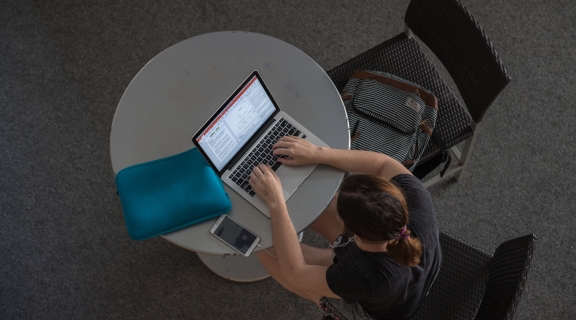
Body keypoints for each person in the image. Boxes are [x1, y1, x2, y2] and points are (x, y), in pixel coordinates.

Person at [249, 136, 441, 320]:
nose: (334, 196)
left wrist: (277, 204)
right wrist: (317, 153)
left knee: (266, 252)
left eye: (338, 204)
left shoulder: (365, 277)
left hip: (381, 310)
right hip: (401, 274)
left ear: (354, 235)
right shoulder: (415, 198)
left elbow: (296, 273)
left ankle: (323, 294)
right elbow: (383, 164)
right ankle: (332, 261)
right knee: (309, 216)